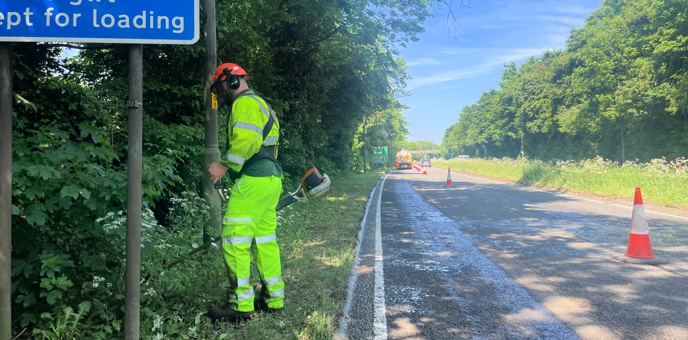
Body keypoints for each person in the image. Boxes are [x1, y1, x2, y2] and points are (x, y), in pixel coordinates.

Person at [207, 63, 284, 322]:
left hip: (254, 180)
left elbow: (247, 140)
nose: (222, 95)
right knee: (264, 240)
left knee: (233, 239)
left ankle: (241, 307)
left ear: (231, 82)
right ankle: (274, 299)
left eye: (221, 89)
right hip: (270, 179)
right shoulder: (261, 103)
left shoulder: (246, 103)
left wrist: (223, 166)